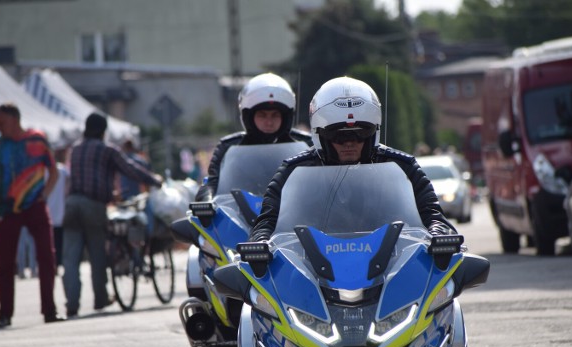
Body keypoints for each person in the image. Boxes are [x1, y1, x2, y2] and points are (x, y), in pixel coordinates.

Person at [249, 76, 457, 242]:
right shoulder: (294, 170)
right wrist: (260, 242)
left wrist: (438, 233)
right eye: (338, 135)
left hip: (391, 262)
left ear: (373, 132)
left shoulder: (402, 166)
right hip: (312, 265)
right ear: (320, 135)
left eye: (360, 133)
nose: (350, 142)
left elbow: (432, 213)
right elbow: (267, 221)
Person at [62, 112, 163, 318]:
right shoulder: (107, 150)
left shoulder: (75, 149)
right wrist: (153, 180)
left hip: (71, 204)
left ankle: (72, 304)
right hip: (94, 205)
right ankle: (100, 299)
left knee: (70, 258)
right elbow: (130, 169)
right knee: (97, 253)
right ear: (103, 131)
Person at [0, 103, 64, 328]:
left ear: (14, 119)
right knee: (5, 264)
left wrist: (44, 195)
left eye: (1, 122)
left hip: (35, 206)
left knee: (47, 258)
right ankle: (4, 313)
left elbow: (53, 172)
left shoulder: (37, 140)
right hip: (6, 209)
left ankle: (49, 310)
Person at [195, 72, 311, 201]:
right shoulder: (229, 146)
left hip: (292, 213)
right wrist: (206, 200)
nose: (269, 121)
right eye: (262, 115)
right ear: (248, 116)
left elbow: (321, 183)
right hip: (240, 215)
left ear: (286, 117)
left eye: (275, 115)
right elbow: (212, 183)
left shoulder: (306, 143)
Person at [46, 148, 70, 270]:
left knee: (53, 239)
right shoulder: (62, 170)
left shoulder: (49, 171)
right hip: (57, 209)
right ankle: (55, 262)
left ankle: (55, 263)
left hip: (54, 209)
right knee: (57, 239)